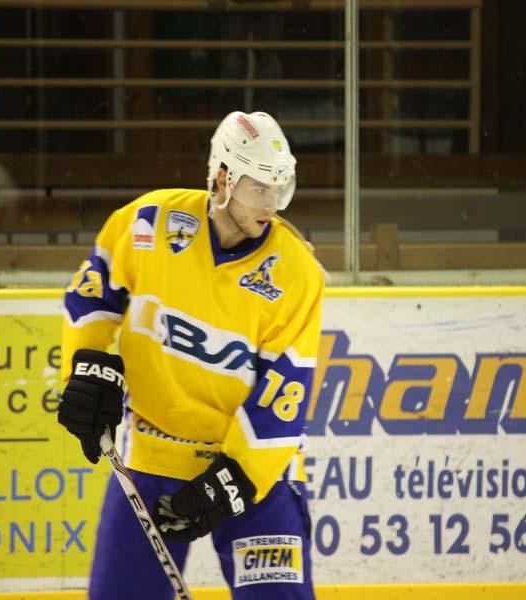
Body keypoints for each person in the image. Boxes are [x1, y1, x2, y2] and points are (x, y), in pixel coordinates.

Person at [58, 111, 325, 599]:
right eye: (258, 188)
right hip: (150, 456)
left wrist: (237, 480)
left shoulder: (296, 273)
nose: (270, 203)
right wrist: (86, 367)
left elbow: (285, 394)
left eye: (279, 188)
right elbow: (90, 294)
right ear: (222, 178)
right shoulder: (150, 222)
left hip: (253, 472)